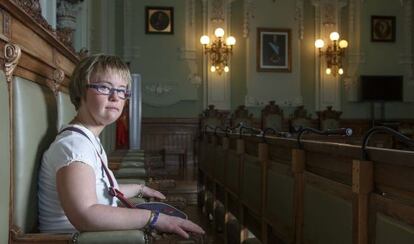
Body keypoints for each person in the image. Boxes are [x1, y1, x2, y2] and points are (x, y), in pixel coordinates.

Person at [38, 54, 204, 238]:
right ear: (80, 91)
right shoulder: (74, 146)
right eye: (104, 87)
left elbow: (101, 188)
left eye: (122, 90)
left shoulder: (86, 139)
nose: (115, 96)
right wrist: (154, 219)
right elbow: (85, 215)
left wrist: (140, 188)